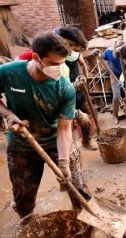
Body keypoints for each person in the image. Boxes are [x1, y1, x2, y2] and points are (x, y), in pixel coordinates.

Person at [0, 32, 77, 223]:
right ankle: (28, 224)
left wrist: (64, 161)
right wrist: (7, 114)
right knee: (23, 197)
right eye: (53, 64)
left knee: (76, 185)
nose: (59, 69)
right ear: (36, 57)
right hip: (21, 143)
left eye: (62, 63)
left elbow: (64, 129)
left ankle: (84, 220)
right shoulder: (9, 73)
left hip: (53, 140)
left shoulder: (64, 88)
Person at [16, 27, 97, 150]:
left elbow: (82, 63)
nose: (73, 51)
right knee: (66, 126)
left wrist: (84, 78)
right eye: (72, 47)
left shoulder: (72, 56)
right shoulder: (44, 52)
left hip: (76, 91)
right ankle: (70, 148)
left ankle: (87, 141)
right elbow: (19, 63)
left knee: (88, 117)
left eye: (77, 49)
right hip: (60, 96)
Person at [100, 41, 126, 125]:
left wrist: (122, 79)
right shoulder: (108, 52)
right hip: (114, 74)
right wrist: (98, 55)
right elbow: (102, 57)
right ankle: (115, 115)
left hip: (125, 72)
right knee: (116, 95)